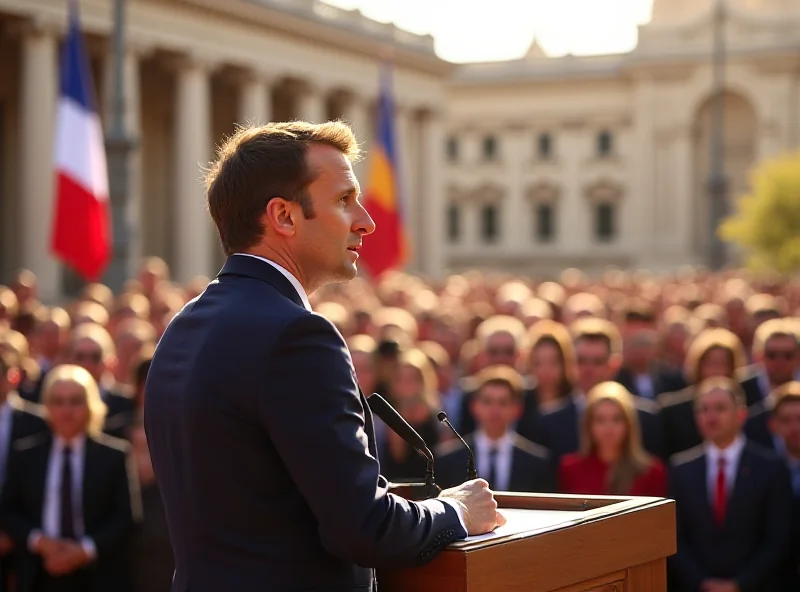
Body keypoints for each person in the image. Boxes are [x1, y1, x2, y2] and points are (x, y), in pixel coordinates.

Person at [144, 121, 503, 592]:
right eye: (342, 199)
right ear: (284, 217)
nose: (365, 220)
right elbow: (364, 527)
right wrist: (457, 510)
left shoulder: (183, 325)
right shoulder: (298, 335)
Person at [558, 382, 666, 497]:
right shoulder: (570, 469)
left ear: (629, 424)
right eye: (600, 420)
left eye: (617, 419)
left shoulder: (652, 472)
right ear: (588, 425)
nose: (608, 428)